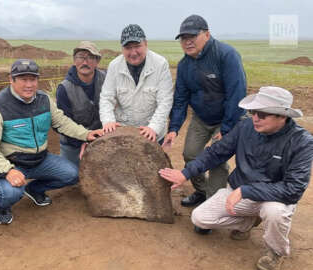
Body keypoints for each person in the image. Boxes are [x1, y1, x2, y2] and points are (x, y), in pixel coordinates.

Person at [159, 86, 313, 270]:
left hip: (273, 197)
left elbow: (293, 189)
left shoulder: (301, 142)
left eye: (262, 114)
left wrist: (246, 190)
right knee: (200, 218)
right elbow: (217, 152)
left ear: (282, 116)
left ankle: (276, 251)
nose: (255, 117)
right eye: (253, 111)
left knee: (275, 213)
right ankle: (249, 221)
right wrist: (185, 173)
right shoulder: (246, 126)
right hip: (240, 190)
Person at [0, 59, 103, 225]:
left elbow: (61, 122)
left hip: (40, 159)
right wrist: (8, 171)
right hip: (12, 163)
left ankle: (34, 189)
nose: (29, 85)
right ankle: (4, 207)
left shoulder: (44, 99)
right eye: (23, 79)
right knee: (10, 193)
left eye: (33, 79)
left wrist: (86, 134)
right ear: (11, 79)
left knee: (72, 174)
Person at [162, 14, 247, 207]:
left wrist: (226, 129)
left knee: (217, 159)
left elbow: (237, 93)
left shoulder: (226, 55)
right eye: (183, 38)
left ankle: (213, 205)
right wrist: (174, 127)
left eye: (192, 36)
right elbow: (181, 99)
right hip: (201, 118)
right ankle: (201, 191)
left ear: (207, 35)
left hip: (227, 118)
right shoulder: (184, 65)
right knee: (190, 154)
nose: (187, 41)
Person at [99, 24, 173, 143]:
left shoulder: (160, 64)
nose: (133, 53)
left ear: (146, 44)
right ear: (122, 48)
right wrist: (108, 121)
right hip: (123, 131)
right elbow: (106, 98)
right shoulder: (114, 66)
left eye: (137, 46)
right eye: (128, 48)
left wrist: (153, 128)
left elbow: (165, 100)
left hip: (151, 133)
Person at [56, 41, 105, 166]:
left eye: (90, 57)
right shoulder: (64, 89)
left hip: (102, 139)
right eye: (81, 57)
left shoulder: (107, 79)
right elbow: (63, 124)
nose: (85, 62)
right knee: (71, 177)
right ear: (74, 60)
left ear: (97, 61)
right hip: (73, 143)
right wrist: (83, 141)